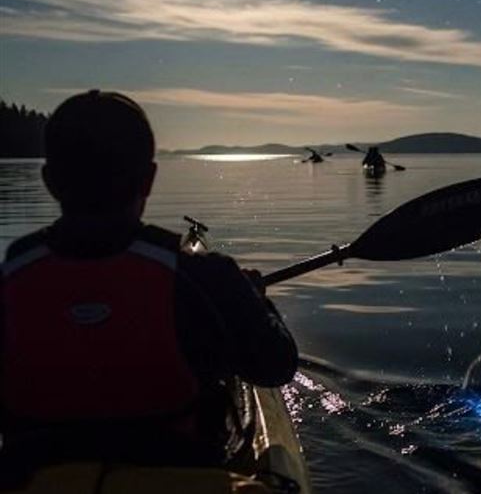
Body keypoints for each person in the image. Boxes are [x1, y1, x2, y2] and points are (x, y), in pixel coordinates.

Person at [0, 90, 298, 479]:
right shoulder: (203, 276)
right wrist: (256, 302)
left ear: (48, 181)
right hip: (180, 475)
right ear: (150, 179)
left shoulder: (12, 276)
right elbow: (277, 367)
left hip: (35, 475)